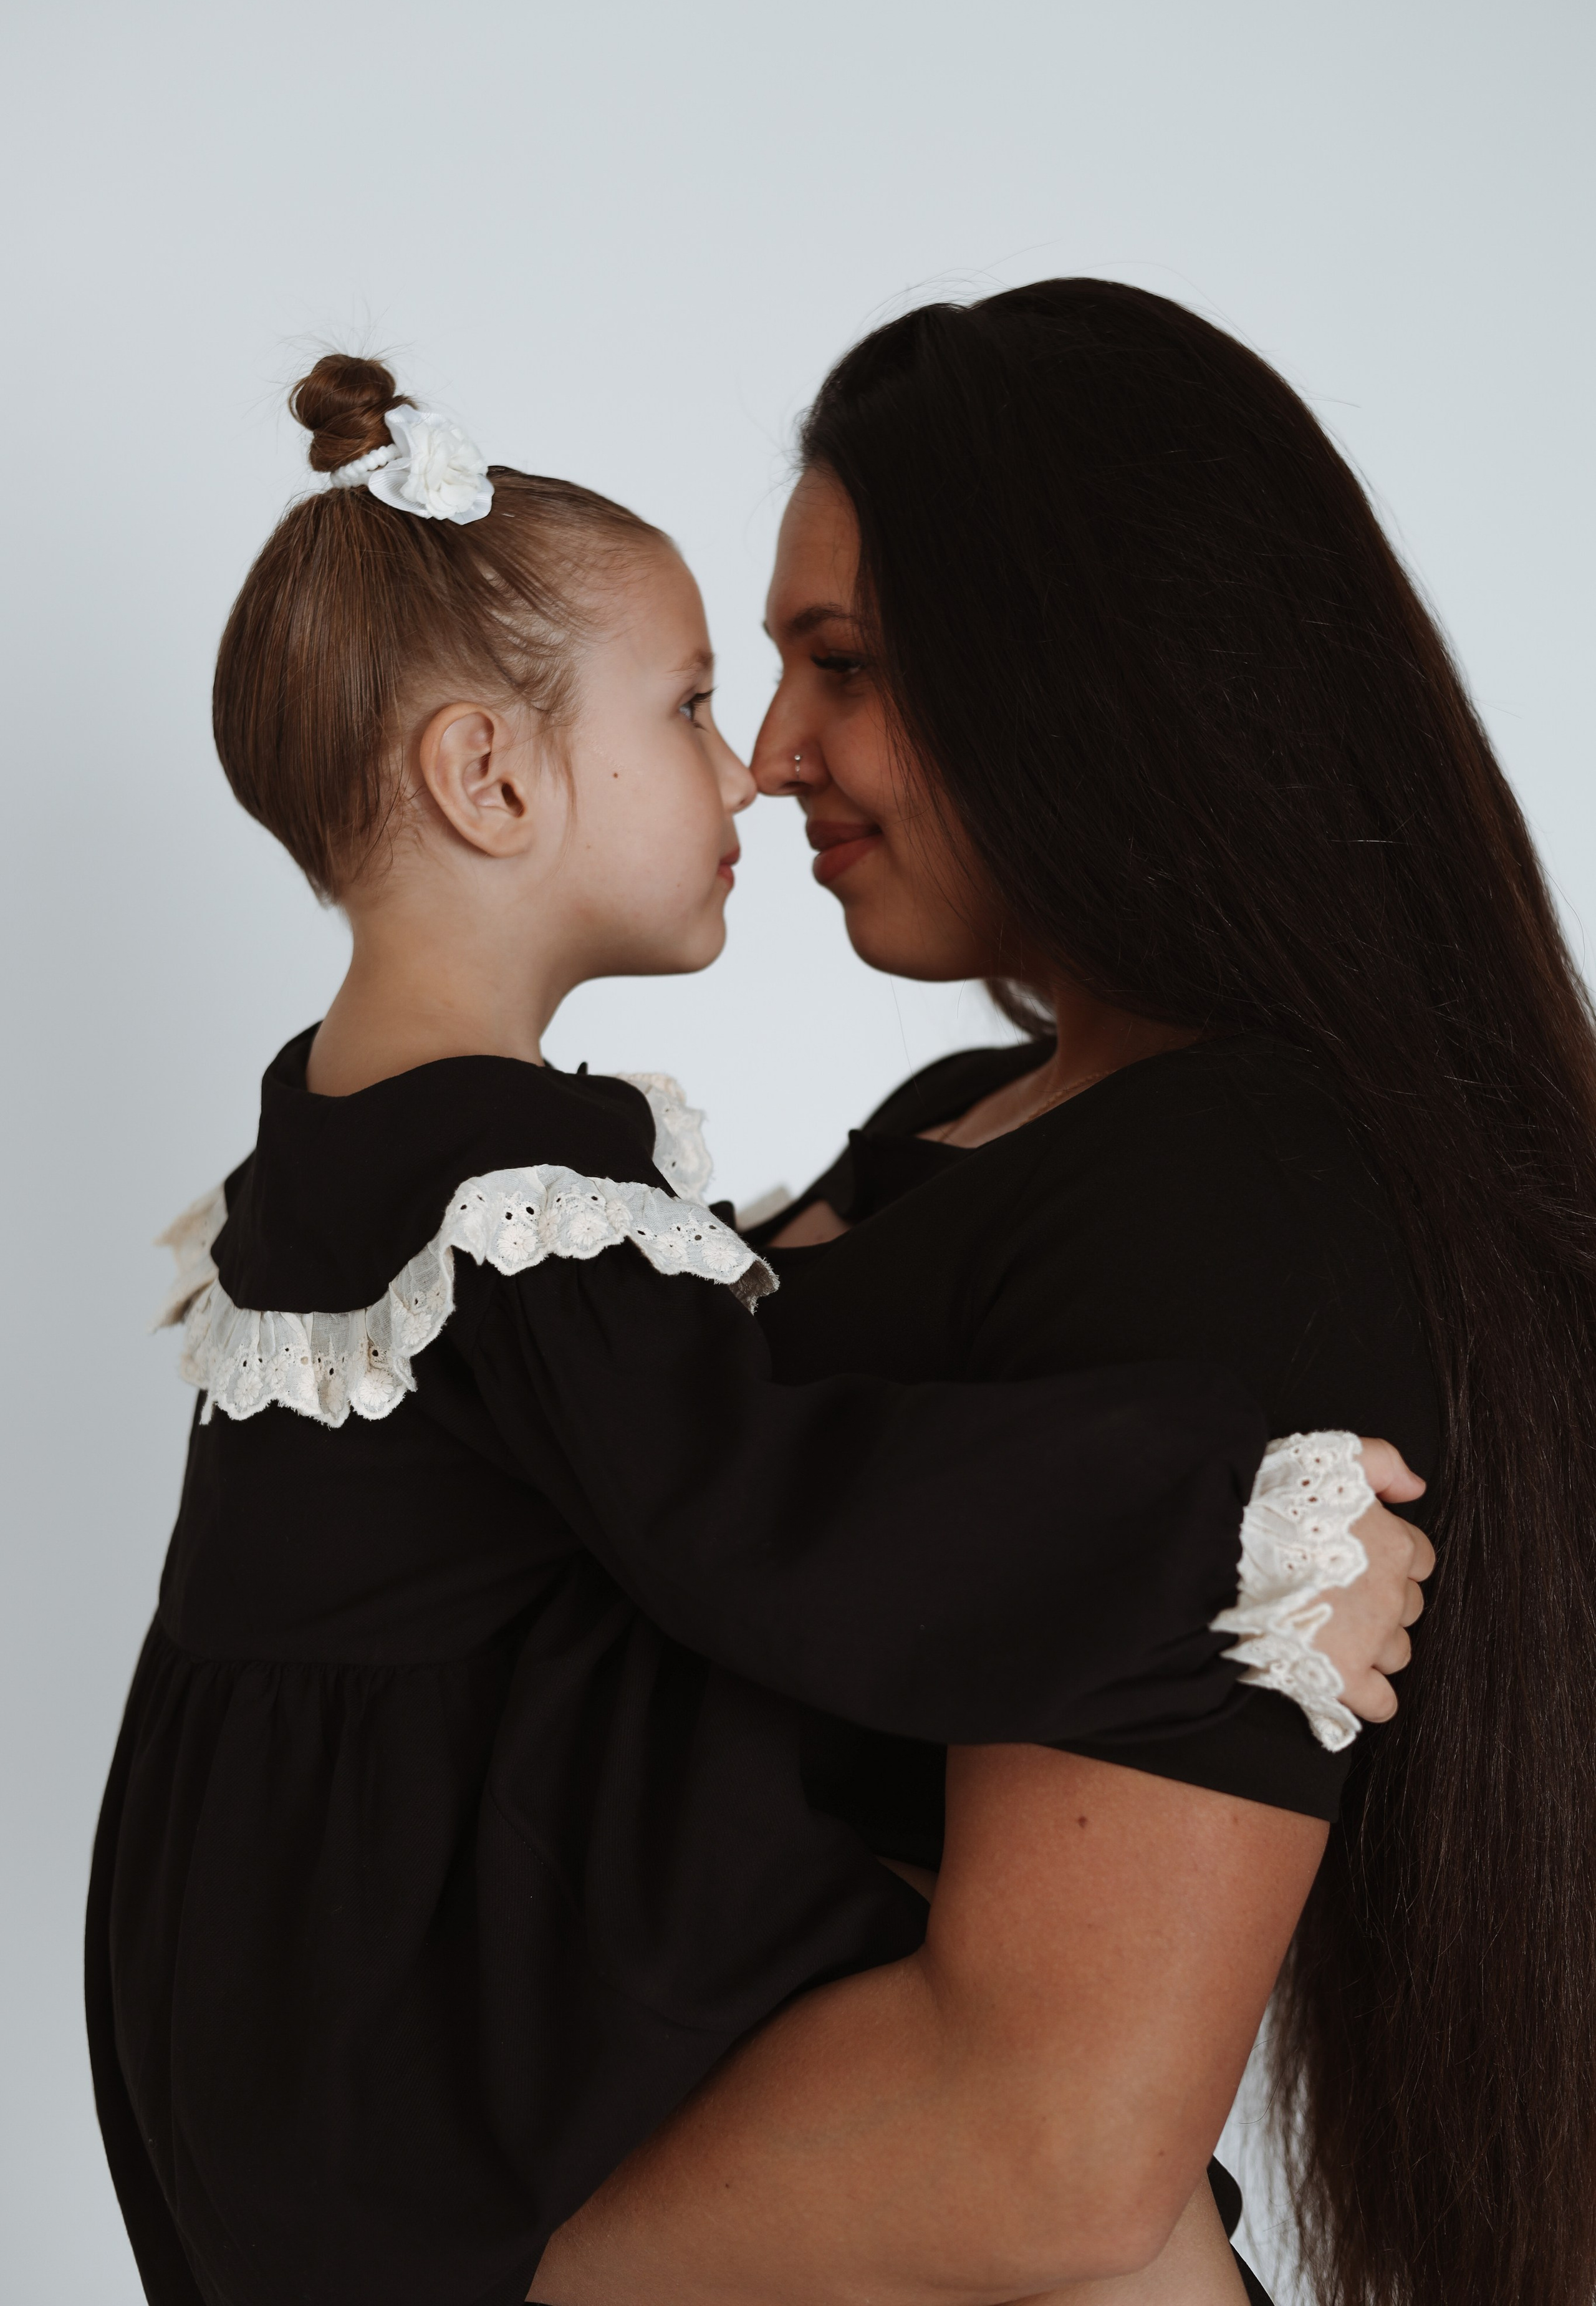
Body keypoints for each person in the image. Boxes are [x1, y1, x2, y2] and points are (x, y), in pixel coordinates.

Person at [86, 354, 1425, 2306]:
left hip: (279, 1977)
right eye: (702, 701)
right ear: (490, 778)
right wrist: (1221, 1543)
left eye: (835, 669)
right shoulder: (513, 1198)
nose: (753, 764)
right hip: (401, 2016)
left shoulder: (347, 1136)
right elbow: (767, 1512)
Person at [531, 282, 1596, 2306]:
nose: (772, 755)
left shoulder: (1244, 1202)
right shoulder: (963, 1122)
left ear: (1092, 677)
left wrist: (397, 2237)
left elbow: (1046, 2147)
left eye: (842, 664)